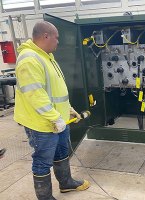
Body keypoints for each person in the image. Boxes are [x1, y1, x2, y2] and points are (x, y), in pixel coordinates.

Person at [14, 21, 90, 200]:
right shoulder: (30, 59)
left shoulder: (47, 56)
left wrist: (68, 109)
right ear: (45, 36)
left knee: (62, 153)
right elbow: (35, 95)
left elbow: (55, 90)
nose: (58, 42)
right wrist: (55, 118)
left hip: (58, 120)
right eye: (56, 38)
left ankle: (66, 183)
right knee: (42, 161)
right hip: (41, 123)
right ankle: (45, 197)